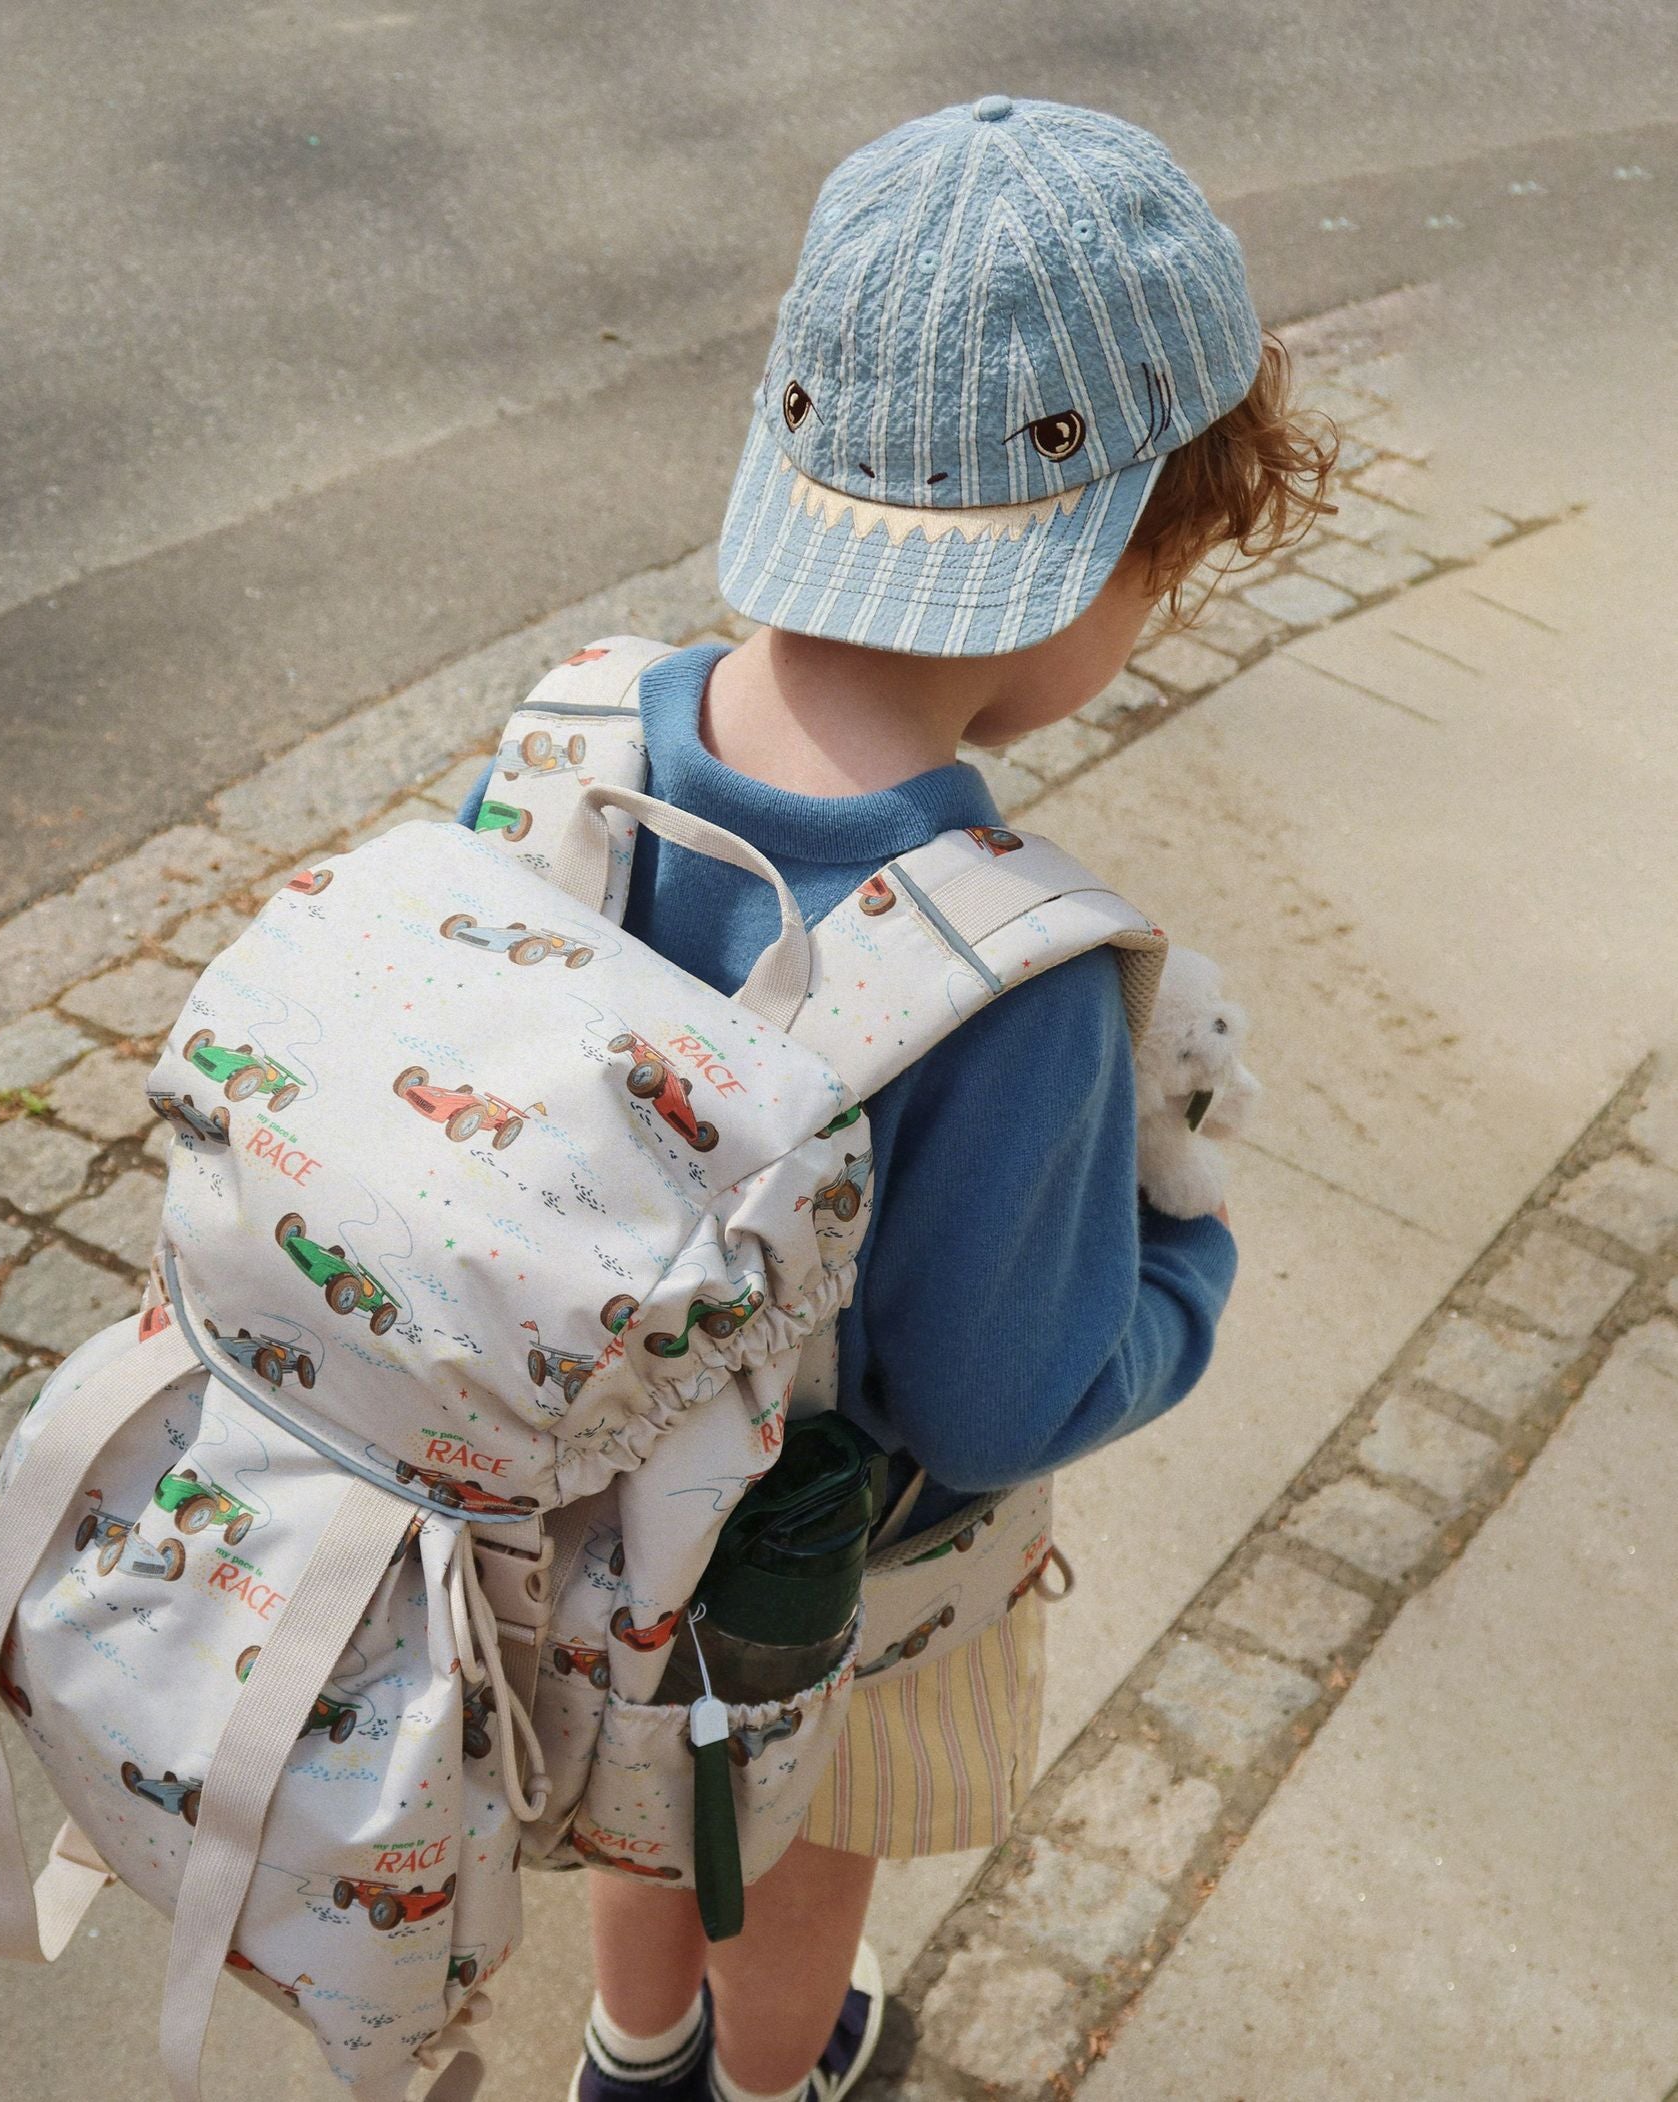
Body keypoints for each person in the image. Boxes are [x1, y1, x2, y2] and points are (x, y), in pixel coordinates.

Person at [463, 94, 1333, 2102]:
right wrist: (1178, 1258)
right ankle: (779, 2083)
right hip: (824, 1583)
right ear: (1088, 565)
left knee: (636, 1795)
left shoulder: (567, 737)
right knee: (803, 1836)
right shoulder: (1008, 977)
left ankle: (631, 2050)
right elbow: (988, 1394)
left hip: (589, 1522)